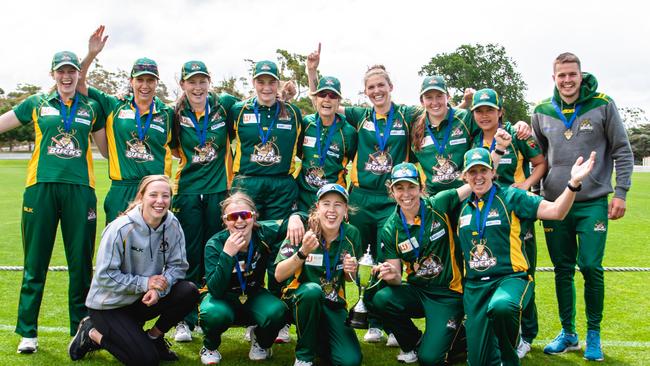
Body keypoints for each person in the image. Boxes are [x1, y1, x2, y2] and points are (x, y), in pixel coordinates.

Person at [307, 44, 417, 344]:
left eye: (381, 85)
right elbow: (324, 103)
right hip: (361, 198)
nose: (377, 91)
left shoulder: (407, 114)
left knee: (389, 257)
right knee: (361, 258)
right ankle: (369, 317)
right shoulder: (359, 115)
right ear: (365, 91)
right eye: (371, 87)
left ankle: (389, 320)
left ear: (390, 87)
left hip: (391, 199)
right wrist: (312, 72)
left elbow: (438, 110)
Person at [0, 50, 106, 353]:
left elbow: (107, 151)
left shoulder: (93, 106)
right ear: (53, 75)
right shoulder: (36, 103)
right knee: (35, 263)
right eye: (61, 71)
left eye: (72, 71)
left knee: (81, 267)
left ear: (78, 74)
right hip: (40, 188)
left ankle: (80, 330)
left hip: (80, 189)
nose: (67, 76)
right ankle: (28, 333)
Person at [531, 52, 633, 361]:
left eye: (572, 74)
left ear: (580, 74)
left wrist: (621, 192)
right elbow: (537, 159)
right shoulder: (542, 110)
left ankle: (593, 334)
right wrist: (536, 195)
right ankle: (568, 333)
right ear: (554, 78)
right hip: (555, 204)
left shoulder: (602, 104)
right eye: (561, 75)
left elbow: (622, 150)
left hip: (592, 203)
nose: (567, 80)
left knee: (590, 266)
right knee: (563, 269)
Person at [457, 147, 595, 366]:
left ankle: (510, 355)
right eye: (472, 172)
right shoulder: (461, 207)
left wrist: (573, 184)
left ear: (493, 171)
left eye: (483, 170)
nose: (478, 176)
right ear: (464, 177)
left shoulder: (512, 196)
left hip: (510, 279)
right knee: (478, 361)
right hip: (475, 287)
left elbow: (556, 212)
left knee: (502, 307)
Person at [68, 175, 199, 365]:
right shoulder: (120, 228)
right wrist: (145, 283)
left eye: (165, 196)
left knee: (189, 291)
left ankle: (154, 338)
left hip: (140, 300)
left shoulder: (172, 224)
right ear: (141, 197)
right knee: (146, 360)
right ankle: (92, 333)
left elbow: (178, 266)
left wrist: (157, 288)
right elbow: (105, 276)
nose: (160, 201)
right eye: (153, 195)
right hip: (109, 306)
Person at [469, 87, 547, 358]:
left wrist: (526, 185)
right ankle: (497, 329)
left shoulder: (516, 134)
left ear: (501, 112)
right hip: (484, 214)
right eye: (479, 110)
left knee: (523, 271)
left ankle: (526, 333)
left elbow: (540, 163)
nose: (485, 115)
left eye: (490, 110)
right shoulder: (474, 138)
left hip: (515, 210)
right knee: (490, 268)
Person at [169, 60, 239, 342]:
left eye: (202, 81)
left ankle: (208, 311)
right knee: (188, 256)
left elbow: (255, 108)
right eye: (191, 82)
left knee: (215, 254)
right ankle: (183, 318)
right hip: (186, 190)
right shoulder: (174, 113)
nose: (197, 87)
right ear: (182, 84)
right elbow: (174, 149)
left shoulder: (225, 105)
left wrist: (285, 93)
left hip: (219, 191)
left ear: (209, 82)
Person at [80, 25, 174, 223]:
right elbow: (79, 83)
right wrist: (91, 54)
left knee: (156, 249)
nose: (145, 86)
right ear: (131, 81)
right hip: (122, 189)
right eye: (140, 80)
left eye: (150, 80)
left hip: (156, 190)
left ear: (157, 83)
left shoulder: (168, 113)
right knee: (117, 247)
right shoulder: (114, 104)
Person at [275, 183, 362, 366]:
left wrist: (351, 271)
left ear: (346, 210)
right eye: (326, 203)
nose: (332, 210)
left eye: (338, 204)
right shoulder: (302, 229)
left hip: (333, 304)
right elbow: (279, 275)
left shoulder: (352, 234)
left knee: (350, 361)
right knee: (312, 291)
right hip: (301, 299)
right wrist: (303, 252)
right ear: (317, 207)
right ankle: (304, 357)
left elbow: (350, 279)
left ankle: (320, 343)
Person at [198, 192, 287, 365]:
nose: (239, 221)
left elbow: (290, 223)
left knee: (278, 311)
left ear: (254, 217)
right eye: (232, 217)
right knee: (213, 314)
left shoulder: (263, 233)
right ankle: (210, 346)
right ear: (224, 221)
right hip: (222, 297)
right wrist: (227, 254)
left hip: (253, 293)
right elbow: (215, 289)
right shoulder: (215, 244)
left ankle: (261, 341)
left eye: (245, 215)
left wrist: (297, 217)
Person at [227, 59, 303, 221]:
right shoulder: (239, 110)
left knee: (279, 235)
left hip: (281, 185)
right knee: (243, 233)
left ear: (278, 84)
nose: (266, 88)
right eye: (261, 82)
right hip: (247, 183)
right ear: (253, 82)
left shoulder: (293, 113)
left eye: (272, 82)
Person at [296, 76, 357, 212]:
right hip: (303, 196)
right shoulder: (306, 123)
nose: (327, 99)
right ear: (316, 98)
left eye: (333, 95)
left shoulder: (349, 132)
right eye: (322, 94)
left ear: (339, 101)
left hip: (332, 198)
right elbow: (299, 152)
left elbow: (355, 162)